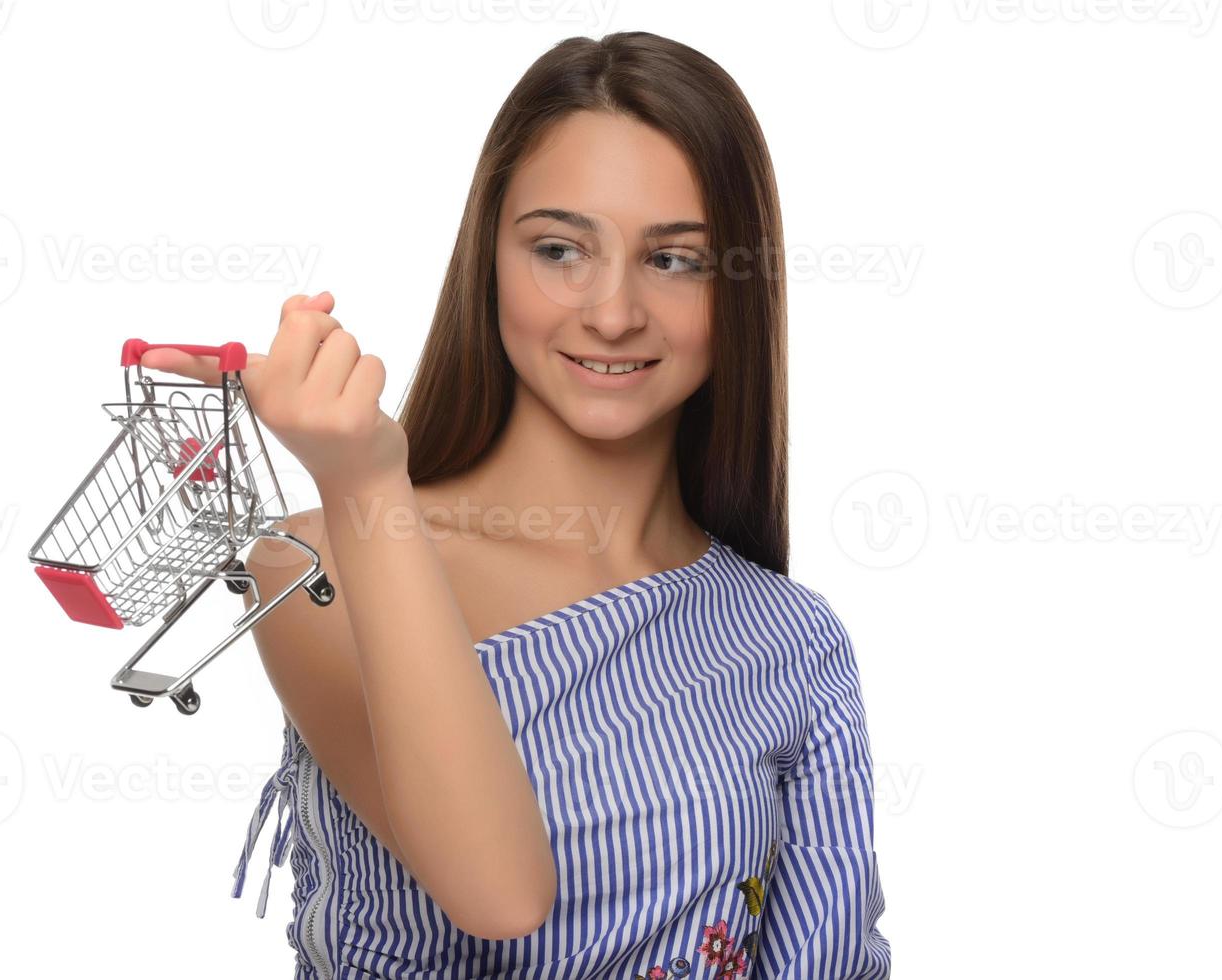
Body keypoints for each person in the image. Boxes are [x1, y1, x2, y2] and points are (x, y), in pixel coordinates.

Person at [143, 31, 891, 980]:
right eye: (558, 249)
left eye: (675, 262)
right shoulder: (318, 562)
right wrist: (367, 481)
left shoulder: (791, 638)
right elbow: (497, 895)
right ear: (487, 258)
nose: (612, 313)